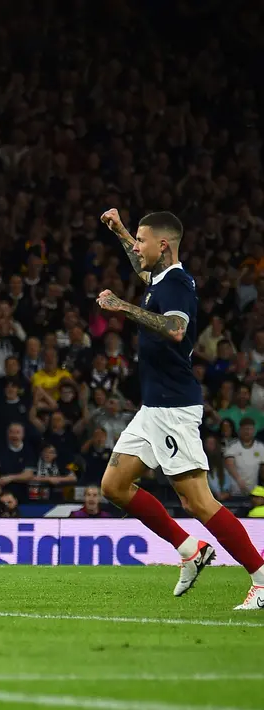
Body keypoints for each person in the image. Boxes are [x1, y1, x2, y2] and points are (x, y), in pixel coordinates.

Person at [96, 209, 264, 610]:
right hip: (153, 407)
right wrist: (119, 230)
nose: (137, 247)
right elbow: (140, 267)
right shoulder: (159, 278)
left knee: (198, 502)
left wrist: (122, 307)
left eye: (141, 238)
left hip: (173, 407)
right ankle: (189, 549)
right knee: (114, 487)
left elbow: (174, 329)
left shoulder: (178, 285)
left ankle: (260, 577)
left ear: (164, 244)